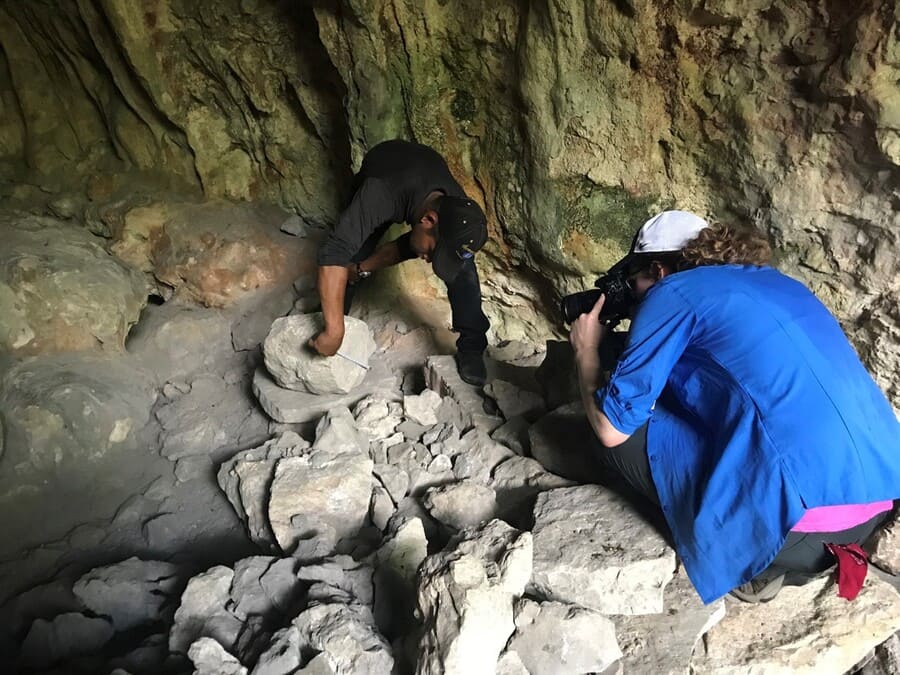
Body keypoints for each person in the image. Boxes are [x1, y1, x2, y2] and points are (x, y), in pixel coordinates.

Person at [569, 210, 900, 604]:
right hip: (874, 508)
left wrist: (586, 351)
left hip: (793, 533)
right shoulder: (781, 283)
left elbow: (612, 429)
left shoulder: (671, 291)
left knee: (604, 431)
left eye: (636, 282)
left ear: (658, 270)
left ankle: (745, 558)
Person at [310, 139, 491, 386]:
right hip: (385, 163)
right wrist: (334, 330)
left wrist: (363, 269)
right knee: (349, 256)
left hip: (422, 170)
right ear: (428, 219)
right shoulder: (379, 193)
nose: (428, 262)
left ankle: (472, 346)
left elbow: (411, 246)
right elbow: (334, 252)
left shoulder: (458, 212)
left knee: (463, 268)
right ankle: (333, 324)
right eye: (432, 254)